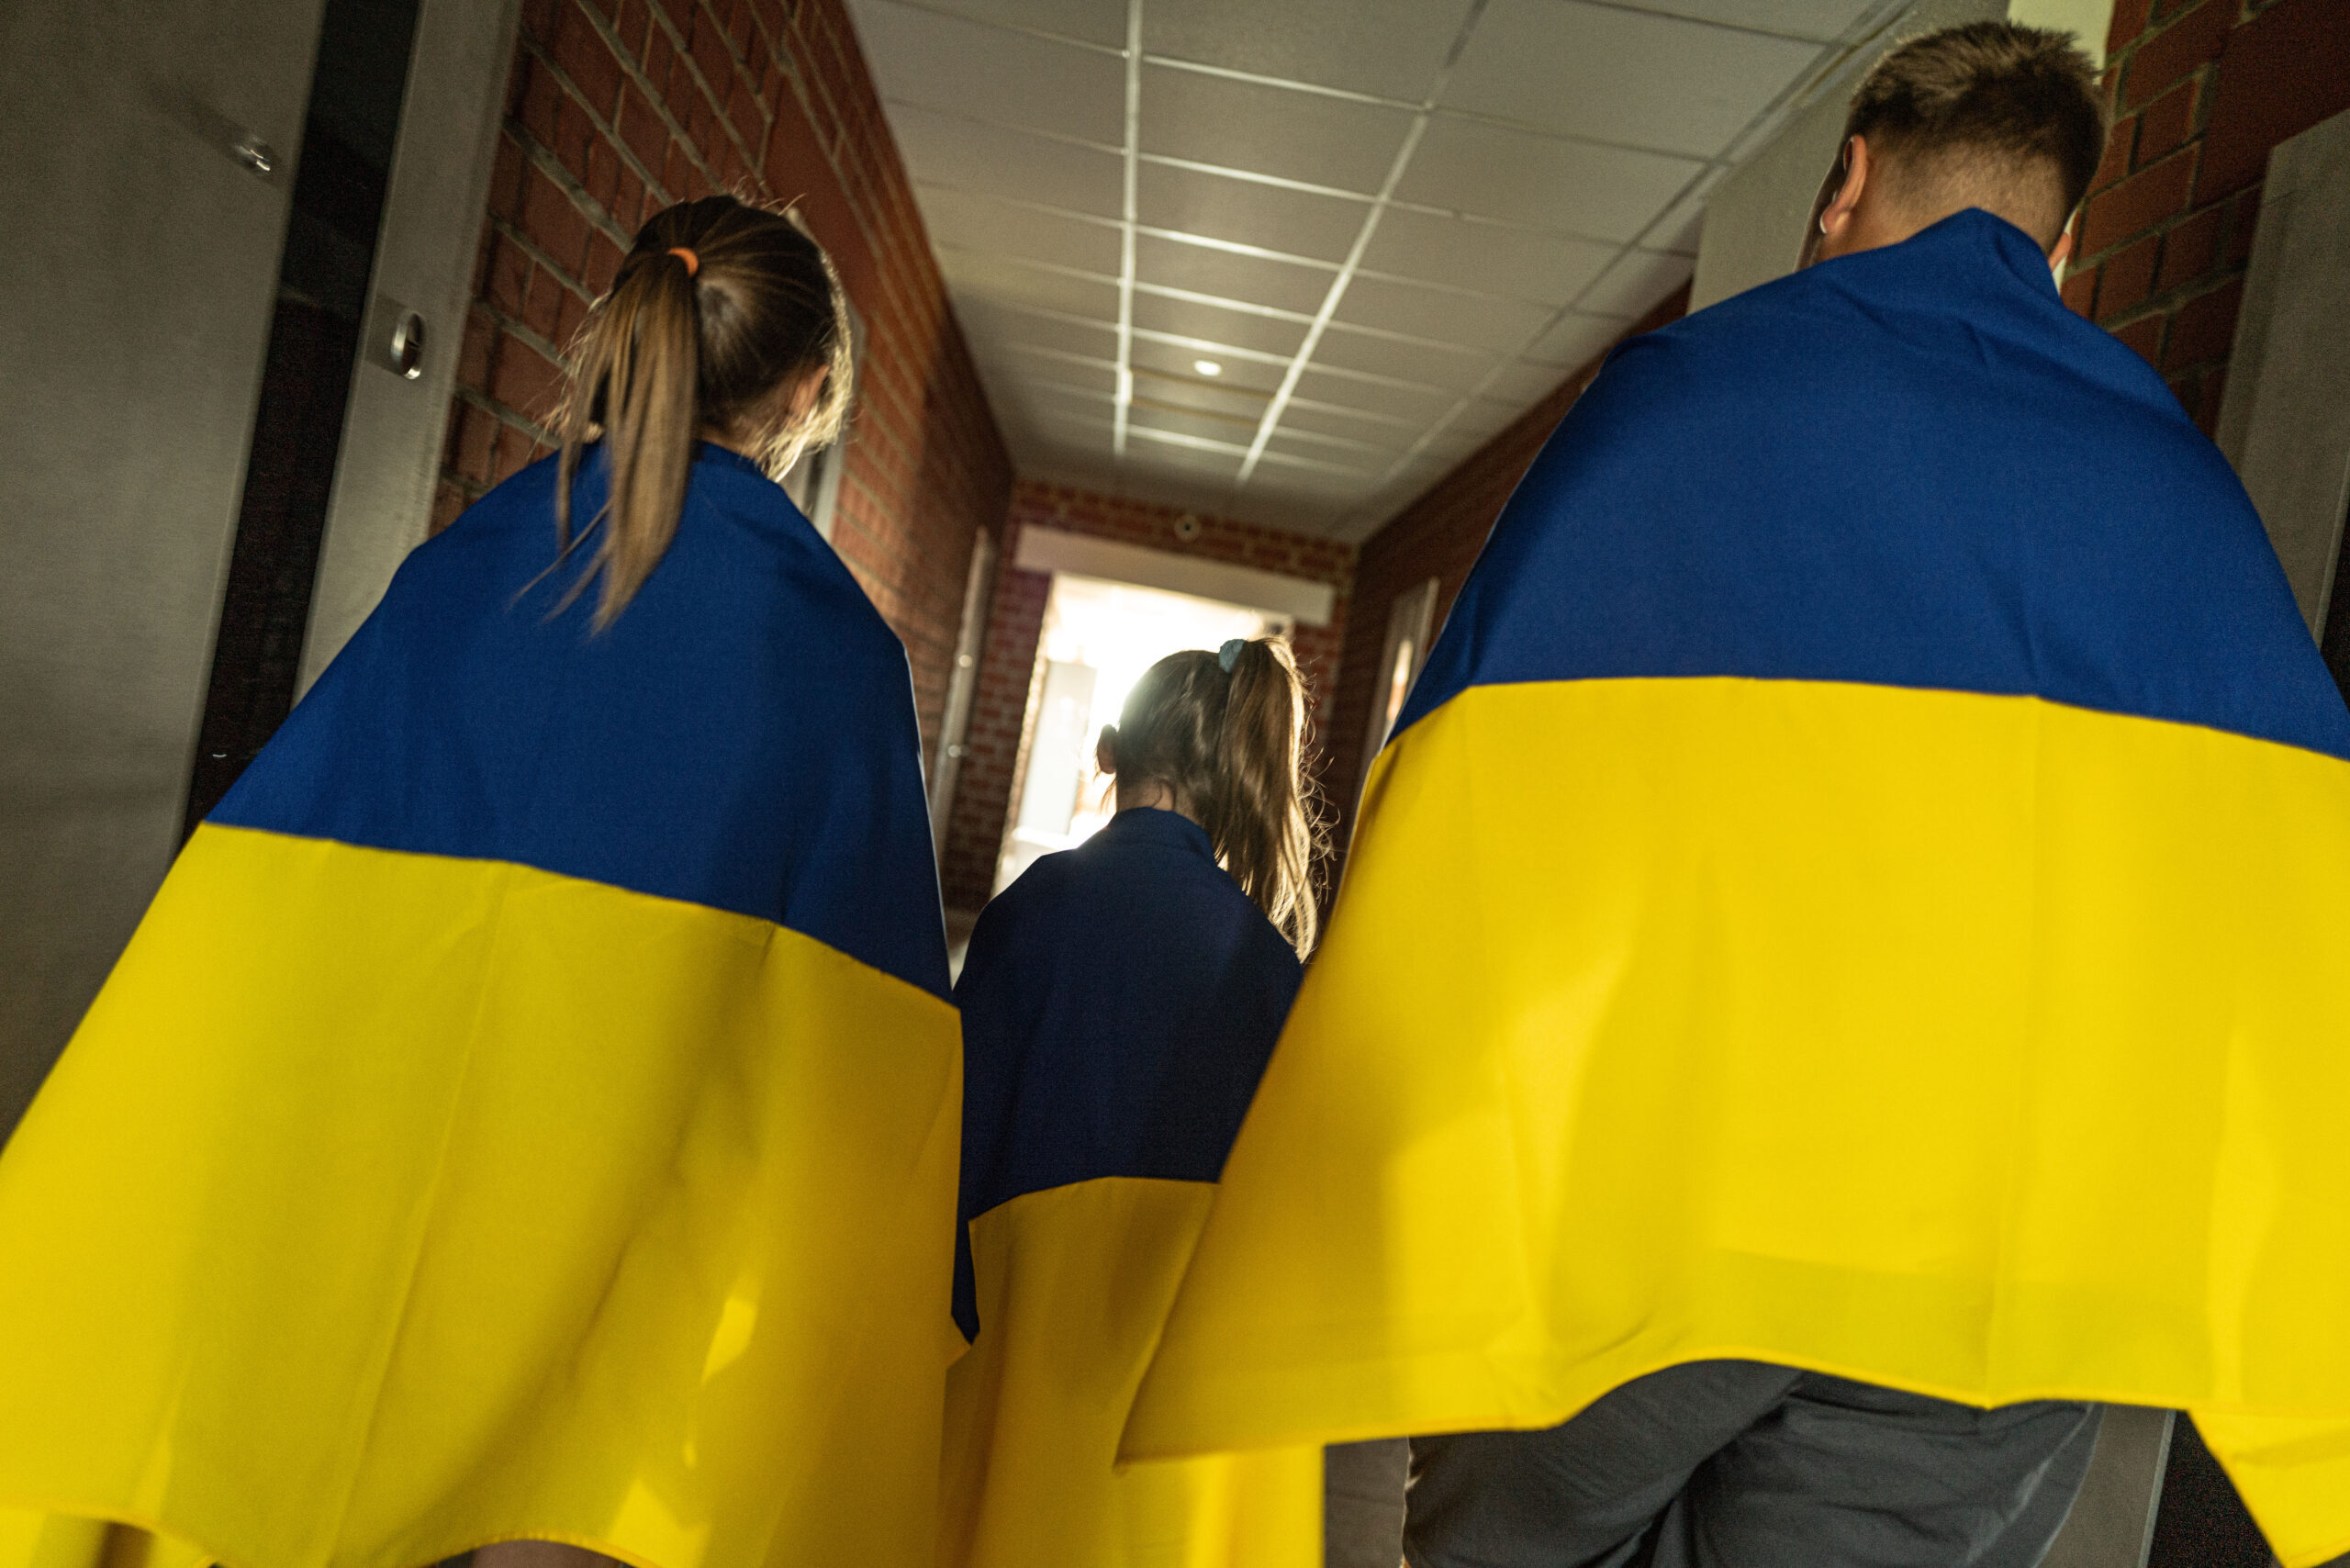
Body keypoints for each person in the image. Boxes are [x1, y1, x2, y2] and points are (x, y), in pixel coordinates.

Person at [1119, 22, 2350, 1568]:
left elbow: (1481, 812)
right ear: (2061, 240)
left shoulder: (1678, 408)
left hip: (1654, 1214)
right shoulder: (2187, 501)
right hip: (1993, 1283)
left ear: (1846, 180)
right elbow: (2266, 912)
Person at [0, 196, 963, 1568]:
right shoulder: (836, 651)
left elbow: (276, 885)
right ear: (808, 391)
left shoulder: (463, 562)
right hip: (617, 1232)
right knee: (558, 1483)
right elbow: (863, 1043)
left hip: (361, 1175)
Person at [940, 638, 1325, 1568]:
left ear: (1109, 750)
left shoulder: (1029, 912)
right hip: (1183, 1365)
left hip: (1026, 1339)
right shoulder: (1266, 962)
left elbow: (952, 1143)